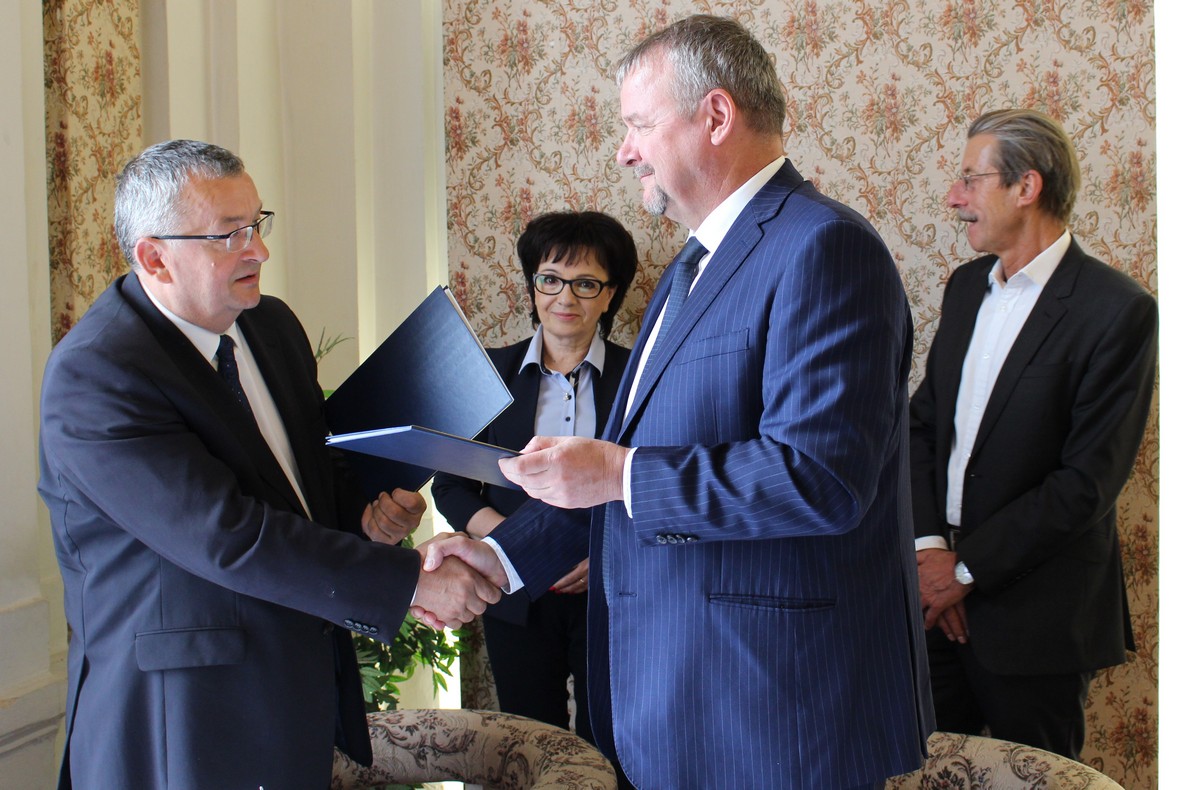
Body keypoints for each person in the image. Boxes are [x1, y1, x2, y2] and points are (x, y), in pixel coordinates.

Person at [418, 15, 934, 789]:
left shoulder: (824, 248)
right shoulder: (691, 266)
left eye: (638, 124)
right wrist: (500, 556)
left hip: (777, 717)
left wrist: (621, 473)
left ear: (715, 116)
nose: (624, 151)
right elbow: (621, 472)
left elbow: (821, 479)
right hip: (681, 706)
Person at [37, 139, 500, 789]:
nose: (258, 251)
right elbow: (227, 535)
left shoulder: (270, 326)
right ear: (154, 257)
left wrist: (364, 521)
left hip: (291, 695)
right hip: (181, 722)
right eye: (230, 235)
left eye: (257, 224)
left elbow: (301, 483)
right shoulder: (97, 374)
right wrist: (409, 584)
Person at [908, 109, 1158, 760]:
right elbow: (923, 425)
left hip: (1038, 617)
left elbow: (1086, 483)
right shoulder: (965, 288)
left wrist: (967, 570)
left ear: (1027, 186)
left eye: (970, 179)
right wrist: (931, 554)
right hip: (935, 607)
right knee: (920, 769)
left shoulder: (1117, 311)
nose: (954, 198)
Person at [432, 210, 637, 744]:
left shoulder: (640, 378)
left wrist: (605, 553)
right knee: (527, 746)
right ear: (532, 285)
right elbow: (450, 486)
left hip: (611, 594)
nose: (565, 297)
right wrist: (519, 548)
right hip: (514, 596)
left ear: (610, 295)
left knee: (612, 745)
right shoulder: (488, 374)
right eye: (550, 279)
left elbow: (652, 484)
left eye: (586, 283)